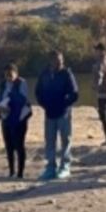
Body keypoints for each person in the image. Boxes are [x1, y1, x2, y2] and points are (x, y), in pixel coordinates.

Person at [35, 50, 79, 180]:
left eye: (61, 60)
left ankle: (65, 166)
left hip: (64, 113)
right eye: (57, 60)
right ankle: (50, 167)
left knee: (66, 139)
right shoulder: (44, 74)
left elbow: (75, 93)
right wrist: (44, 104)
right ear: (51, 61)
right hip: (49, 113)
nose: (60, 62)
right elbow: (38, 91)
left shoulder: (67, 74)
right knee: (50, 141)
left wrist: (65, 103)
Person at [0, 63, 32, 178]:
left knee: (19, 145)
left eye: (11, 74)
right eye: (6, 74)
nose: (9, 77)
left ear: (16, 73)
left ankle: (20, 172)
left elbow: (23, 98)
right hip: (6, 118)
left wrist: (10, 99)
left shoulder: (22, 83)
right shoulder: (2, 85)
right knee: (9, 146)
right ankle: (11, 171)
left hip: (19, 119)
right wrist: (1, 107)